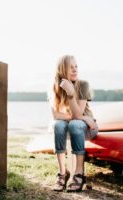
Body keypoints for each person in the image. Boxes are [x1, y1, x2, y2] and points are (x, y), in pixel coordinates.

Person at [48, 55, 98, 192]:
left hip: (88, 128)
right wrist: (83, 117)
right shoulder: (54, 87)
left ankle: (79, 173)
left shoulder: (83, 85)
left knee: (75, 124)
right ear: (61, 69)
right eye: (71, 67)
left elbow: (77, 116)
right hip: (73, 123)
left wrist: (71, 94)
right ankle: (62, 173)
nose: (75, 70)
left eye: (76, 66)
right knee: (58, 124)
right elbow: (56, 115)